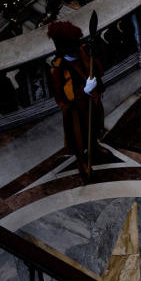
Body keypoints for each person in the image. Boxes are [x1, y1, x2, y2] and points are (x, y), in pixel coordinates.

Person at [47, 20, 105, 177]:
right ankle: (81, 160)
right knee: (78, 136)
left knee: (96, 124)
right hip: (75, 110)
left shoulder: (84, 52)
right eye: (72, 46)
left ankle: (94, 145)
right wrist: (84, 90)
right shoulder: (57, 67)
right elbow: (60, 96)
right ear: (63, 47)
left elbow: (98, 68)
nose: (76, 49)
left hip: (92, 100)